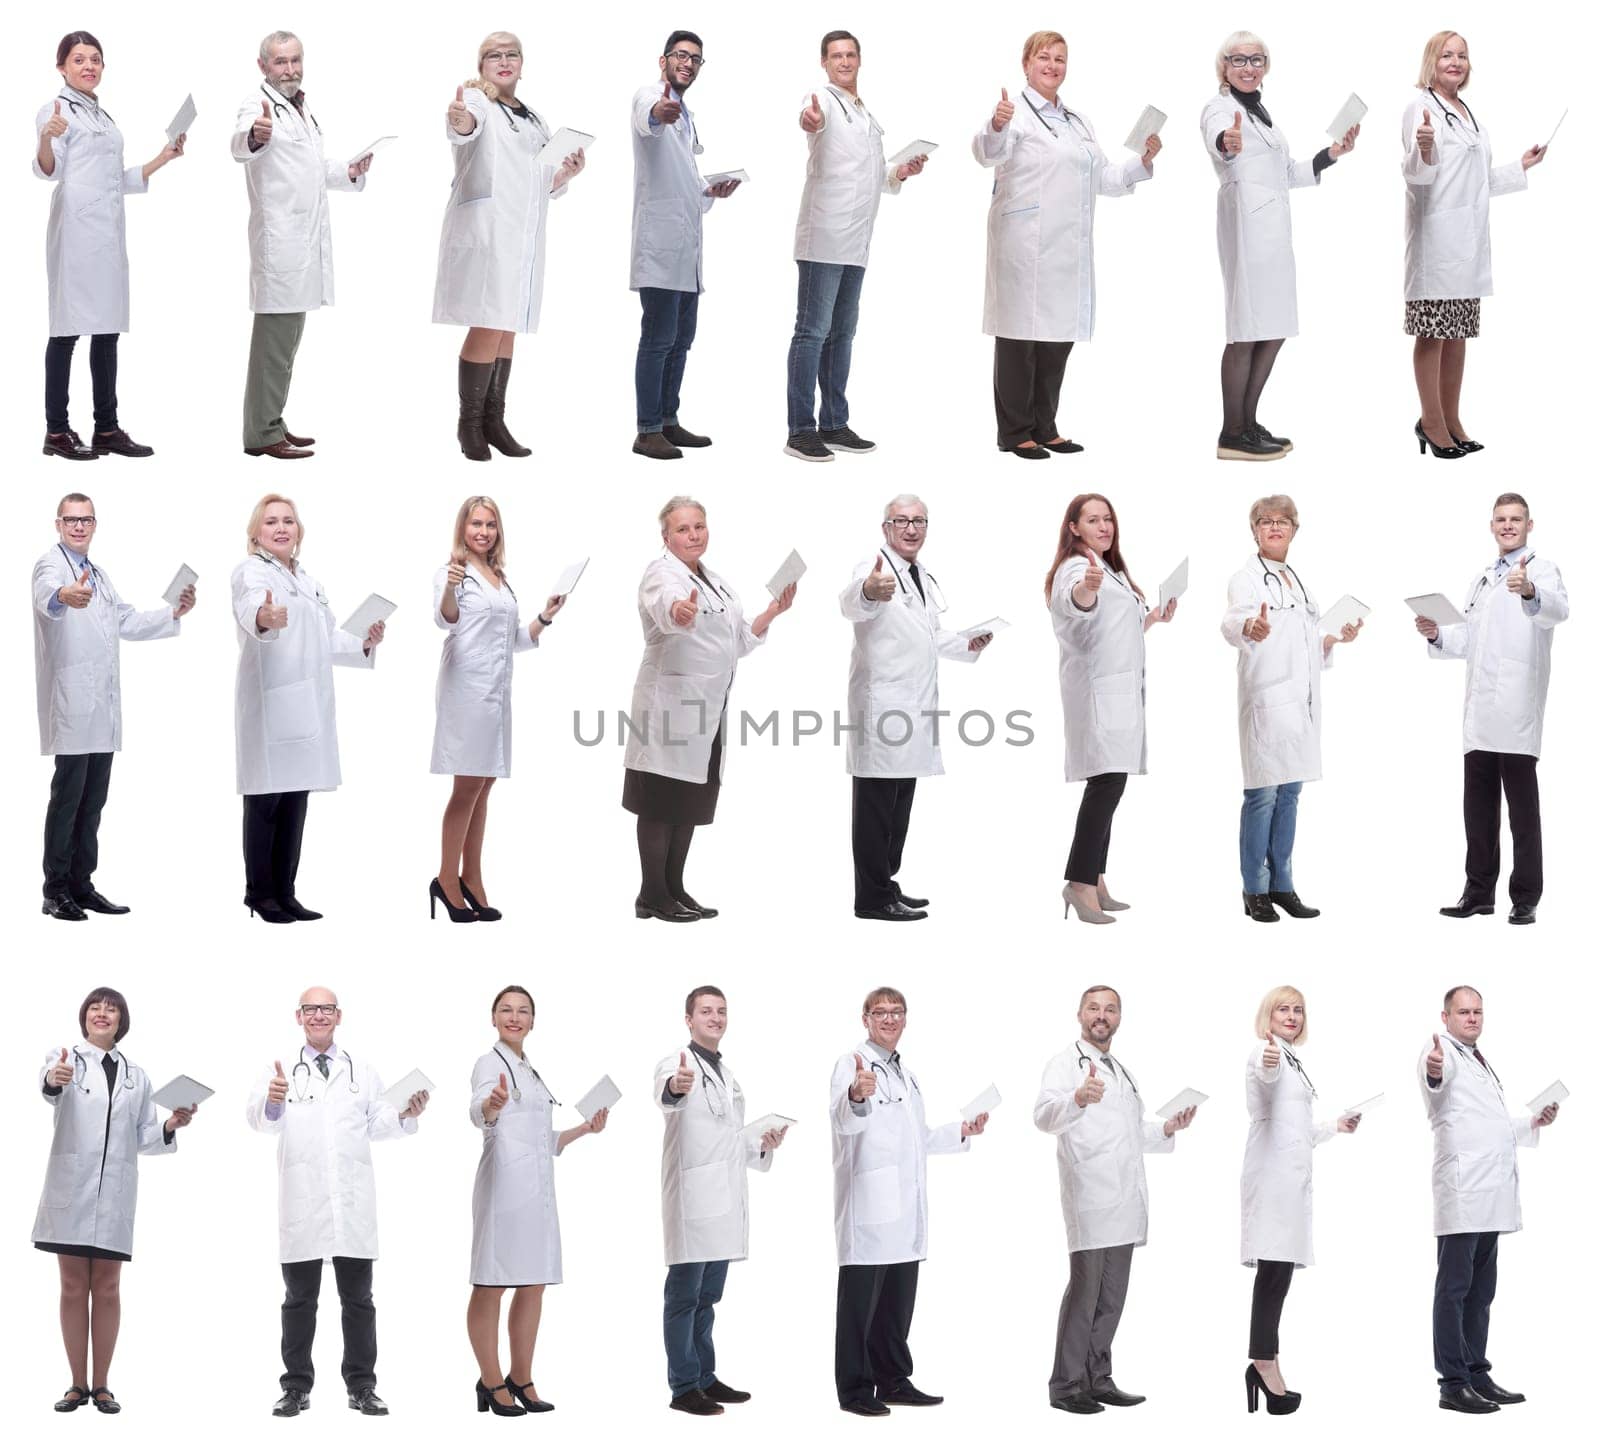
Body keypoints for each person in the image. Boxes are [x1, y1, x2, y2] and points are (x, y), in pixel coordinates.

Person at [973, 31, 1159, 460]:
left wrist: (1144, 161)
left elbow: (1104, 178)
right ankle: (1016, 431)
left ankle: (1045, 426)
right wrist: (996, 124)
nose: (1052, 65)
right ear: (1026, 64)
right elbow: (987, 152)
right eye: (1044, 57)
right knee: (1020, 340)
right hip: (1024, 243)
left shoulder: (1077, 121)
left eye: (1060, 59)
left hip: (1066, 247)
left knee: (1056, 339)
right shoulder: (1013, 112)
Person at [246, 986, 429, 1418]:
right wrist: (273, 1101)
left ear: (339, 1015)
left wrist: (408, 1112)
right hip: (303, 1202)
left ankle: (362, 1386)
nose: (319, 1016)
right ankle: (295, 1387)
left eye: (326, 1009)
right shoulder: (281, 1069)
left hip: (351, 1202)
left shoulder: (360, 1070)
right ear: (299, 1017)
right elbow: (260, 1121)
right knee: (298, 1300)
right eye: (311, 1009)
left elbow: (380, 1124)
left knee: (359, 1300)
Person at [623, 496, 796, 920]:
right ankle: (651, 894)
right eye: (683, 529)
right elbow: (668, 606)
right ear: (666, 536)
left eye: (699, 526)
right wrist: (678, 611)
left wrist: (773, 611)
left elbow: (736, 641)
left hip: (708, 710)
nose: (693, 534)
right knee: (660, 801)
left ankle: (675, 888)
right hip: (669, 707)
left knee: (689, 801)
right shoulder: (661, 573)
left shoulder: (715, 580)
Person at [34, 987, 197, 1414]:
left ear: (122, 1021)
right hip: (71, 1188)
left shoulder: (135, 1076)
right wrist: (55, 1079)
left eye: (112, 1009)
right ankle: (75, 1384)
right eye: (95, 1007)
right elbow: (50, 1086)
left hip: (115, 1197)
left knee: (107, 1288)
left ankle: (102, 1386)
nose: (102, 1013)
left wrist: (171, 1124)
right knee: (72, 1287)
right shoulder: (64, 1057)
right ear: (84, 1016)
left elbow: (143, 1136)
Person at [34, 493, 195, 921]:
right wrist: (63, 596)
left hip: (101, 711)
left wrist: (172, 612)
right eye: (71, 520)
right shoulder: (50, 566)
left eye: (86, 520)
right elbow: (47, 597)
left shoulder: (99, 575)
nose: (79, 527)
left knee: (92, 803)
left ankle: (82, 886)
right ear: (58, 525)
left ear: (95, 524)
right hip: (71, 706)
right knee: (67, 800)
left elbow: (125, 620)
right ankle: (55, 891)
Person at [1034, 986, 1195, 1414]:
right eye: (1093, 1008)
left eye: (1110, 1009)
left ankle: (1098, 1379)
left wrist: (1168, 1127)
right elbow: (1043, 1116)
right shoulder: (1065, 1064)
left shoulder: (1120, 1070)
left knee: (1112, 1297)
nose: (1101, 1016)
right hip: (1090, 1191)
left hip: (1124, 1199)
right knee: (1084, 1295)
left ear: (1119, 1017)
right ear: (1079, 1014)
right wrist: (1077, 1098)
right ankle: (1066, 1386)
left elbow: (1132, 1132)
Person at [831, 986, 986, 1416]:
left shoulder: (906, 1074)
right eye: (880, 1012)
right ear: (865, 1018)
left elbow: (915, 1139)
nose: (889, 1019)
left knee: (896, 1305)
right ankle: (856, 1391)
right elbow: (843, 1121)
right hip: (869, 1207)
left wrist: (962, 1130)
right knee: (859, 1309)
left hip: (903, 1210)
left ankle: (894, 1381)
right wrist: (856, 1095)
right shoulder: (852, 1064)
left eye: (897, 1012)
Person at [1202, 32, 1357, 460]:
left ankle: (1248, 423)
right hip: (1247, 230)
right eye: (1239, 60)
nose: (1249, 67)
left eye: (1257, 59)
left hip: (1273, 233)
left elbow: (1286, 170)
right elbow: (1221, 139)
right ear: (1225, 67)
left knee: (1273, 327)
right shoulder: (1220, 108)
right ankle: (1232, 431)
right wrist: (1225, 143)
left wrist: (1332, 153)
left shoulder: (1262, 114)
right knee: (1247, 329)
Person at [1414, 493, 1567, 926]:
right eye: (1501, 519)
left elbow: (1557, 610)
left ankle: (1526, 897)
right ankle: (1478, 892)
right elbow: (1469, 640)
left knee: (1523, 814)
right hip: (1479, 715)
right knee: (1477, 811)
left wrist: (1531, 590)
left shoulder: (1541, 569)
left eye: (1515, 519)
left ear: (1529, 525)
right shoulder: (1482, 579)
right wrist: (1435, 633)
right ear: (1491, 525)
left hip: (1517, 708)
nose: (1507, 526)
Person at [231, 494, 384, 923]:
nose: (281, 528)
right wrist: (263, 616)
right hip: (271, 704)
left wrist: (366, 641)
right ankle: (259, 895)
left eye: (289, 522)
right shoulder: (250, 572)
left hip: (307, 706)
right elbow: (250, 610)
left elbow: (329, 638)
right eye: (271, 522)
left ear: (299, 531)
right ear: (256, 532)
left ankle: (286, 891)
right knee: (266, 801)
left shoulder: (309, 581)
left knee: (296, 800)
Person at [435, 31, 586, 461]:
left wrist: (566, 174)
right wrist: (458, 119)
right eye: (493, 55)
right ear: (481, 65)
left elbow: (536, 180)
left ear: (522, 63)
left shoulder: (534, 117)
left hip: (522, 235)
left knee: (507, 325)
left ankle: (494, 420)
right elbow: (462, 127)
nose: (503, 61)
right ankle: (469, 425)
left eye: (511, 54)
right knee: (488, 320)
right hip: (488, 232)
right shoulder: (479, 102)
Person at [36, 31, 184, 461]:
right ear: (61, 66)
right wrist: (46, 137)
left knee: (106, 331)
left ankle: (107, 428)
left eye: (95, 59)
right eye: (79, 59)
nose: (89, 66)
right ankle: (57, 431)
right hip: (77, 235)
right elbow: (49, 171)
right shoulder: (57, 109)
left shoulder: (102, 115)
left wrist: (164, 156)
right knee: (66, 331)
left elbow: (117, 180)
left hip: (108, 234)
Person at [842, 494, 990, 922]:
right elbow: (852, 601)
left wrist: (967, 643)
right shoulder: (873, 568)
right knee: (875, 808)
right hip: (883, 706)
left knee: (898, 805)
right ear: (885, 527)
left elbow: (931, 635)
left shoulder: (916, 573)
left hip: (911, 707)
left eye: (919, 521)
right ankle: (870, 898)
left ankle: (886, 884)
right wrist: (869, 590)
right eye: (902, 521)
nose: (911, 529)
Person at [784, 30, 927, 461]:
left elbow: (871, 175)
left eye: (850, 55)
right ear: (824, 63)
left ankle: (834, 423)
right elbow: (811, 121)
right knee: (812, 334)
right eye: (836, 56)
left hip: (856, 242)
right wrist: (809, 121)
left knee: (842, 335)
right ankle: (800, 430)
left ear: (860, 60)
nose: (844, 62)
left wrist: (900, 171)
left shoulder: (864, 112)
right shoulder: (822, 99)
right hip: (824, 238)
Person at [234, 31, 376, 459]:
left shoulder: (301, 108)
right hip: (281, 245)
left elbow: (310, 169)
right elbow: (242, 144)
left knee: (286, 344)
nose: (290, 69)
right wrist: (256, 135)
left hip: (301, 245)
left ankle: (271, 422)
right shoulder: (256, 106)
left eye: (295, 60)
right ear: (263, 66)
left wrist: (349, 170)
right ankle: (260, 433)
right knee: (273, 347)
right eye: (280, 62)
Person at [467, 986, 609, 1415]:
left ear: (533, 1021)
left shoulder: (529, 1069)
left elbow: (540, 1139)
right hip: (504, 1190)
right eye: (506, 1010)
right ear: (493, 1018)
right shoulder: (489, 1064)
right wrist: (490, 1106)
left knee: (533, 1283)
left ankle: (521, 1377)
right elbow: (480, 1110)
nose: (514, 1017)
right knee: (492, 1283)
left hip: (537, 1191)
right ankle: (490, 1382)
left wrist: (584, 1129)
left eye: (523, 1011)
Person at [1402, 32, 1545, 458]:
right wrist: (1424, 150)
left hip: (1467, 244)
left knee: (1458, 334)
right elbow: (1416, 175)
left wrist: (1519, 167)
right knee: (1432, 334)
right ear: (1431, 61)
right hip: (1437, 244)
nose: (1456, 61)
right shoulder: (1421, 108)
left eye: (1462, 55)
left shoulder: (1466, 113)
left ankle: (1452, 417)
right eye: (1446, 55)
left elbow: (1476, 181)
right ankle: (1430, 422)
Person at [1221, 495, 1361, 922]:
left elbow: (1303, 643)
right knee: (1262, 796)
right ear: (1255, 531)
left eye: (1283, 521)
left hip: (1300, 704)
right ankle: (1254, 890)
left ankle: (1283, 884)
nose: (1275, 527)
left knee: (1290, 795)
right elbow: (1232, 623)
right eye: (1266, 522)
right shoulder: (1245, 578)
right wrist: (1250, 625)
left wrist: (1334, 638)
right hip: (1267, 697)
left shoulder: (1296, 580)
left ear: (1295, 530)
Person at [1420, 986, 1559, 1414]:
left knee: (1481, 1293)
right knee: (1454, 1291)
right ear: (1445, 1018)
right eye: (1463, 1012)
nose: (1473, 1018)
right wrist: (1434, 1070)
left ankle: (1477, 1373)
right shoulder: (1441, 1053)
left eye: (1478, 1011)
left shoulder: (1478, 1059)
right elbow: (1435, 1086)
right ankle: (1453, 1384)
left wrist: (1532, 1121)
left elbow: (1489, 1124)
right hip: (1464, 1194)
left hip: (1489, 1194)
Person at [431, 497, 566, 922]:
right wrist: (452, 586)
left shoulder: (501, 579)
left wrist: (544, 617)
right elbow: (445, 619)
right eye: (476, 524)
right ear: (463, 529)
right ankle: (445, 879)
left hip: (497, 693)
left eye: (490, 524)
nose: (483, 532)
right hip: (467, 692)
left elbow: (513, 641)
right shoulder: (453, 573)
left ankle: (472, 875)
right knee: (466, 786)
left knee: (485, 785)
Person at [655, 985, 788, 1415]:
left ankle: (705, 1378)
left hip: (722, 1201)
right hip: (693, 1203)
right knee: (683, 1298)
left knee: (708, 1299)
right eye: (706, 1011)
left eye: (721, 1011)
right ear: (688, 1019)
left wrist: (762, 1142)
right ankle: (683, 1386)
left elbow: (729, 1140)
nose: (715, 1017)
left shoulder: (726, 1073)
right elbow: (666, 1094)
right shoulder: (677, 1061)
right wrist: (676, 1085)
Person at [1046, 494, 1177, 924]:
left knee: (1110, 786)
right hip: (1098, 695)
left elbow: (1116, 627)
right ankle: (1078, 883)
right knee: (1105, 787)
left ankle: (1096, 878)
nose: (1104, 527)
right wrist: (1086, 588)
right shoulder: (1077, 569)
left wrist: (1153, 617)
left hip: (1117, 692)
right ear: (1074, 528)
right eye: (1093, 520)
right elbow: (1075, 604)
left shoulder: (1113, 570)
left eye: (1108, 520)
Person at [1240, 986, 1361, 1414]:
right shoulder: (1266, 1053)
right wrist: (1270, 1063)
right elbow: (1264, 1074)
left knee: (1280, 1274)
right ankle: (1262, 1362)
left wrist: (1335, 1126)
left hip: (1288, 1178)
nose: (1292, 1016)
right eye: (1282, 1009)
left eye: (1298, 1010)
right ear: (1267, 1015)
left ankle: (1265, 1360)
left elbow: (1298, 1130)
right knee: (1272, 1276)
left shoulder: (1292, 1057)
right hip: (1273, 1179)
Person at [629, 31, 741, 460]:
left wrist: (711, 190)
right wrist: (660, 112)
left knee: (680, 340)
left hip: (686, 255)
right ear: (664, 60)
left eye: (696, 59)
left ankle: (669, 421)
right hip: (659, 250)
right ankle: (646, 429)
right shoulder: (649, 97)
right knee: (657, 340)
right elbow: (649, 117)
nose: (688, 63)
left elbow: (683, 182)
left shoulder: (688, 114)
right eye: (681, 55)